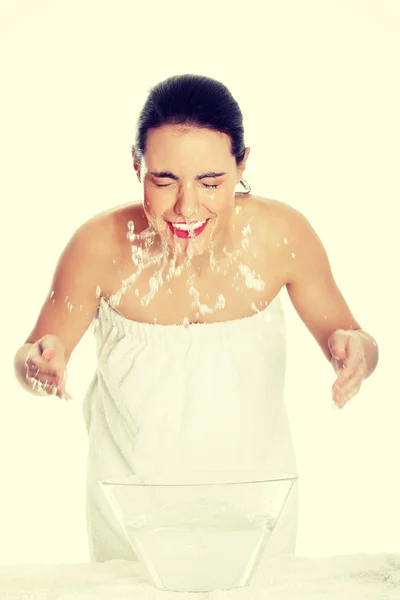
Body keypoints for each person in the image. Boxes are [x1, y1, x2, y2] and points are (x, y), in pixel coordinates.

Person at [13, 74, 379, 562]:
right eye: (164, 181)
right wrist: (38, 364)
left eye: (211, 182)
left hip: (256, 514)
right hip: (130, 515)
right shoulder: (97, 247)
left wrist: (356, 353)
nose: (186, 207)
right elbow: (31, 357)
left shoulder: (281, 236)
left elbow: (353, 336)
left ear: (242, 163)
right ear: (136, 165)